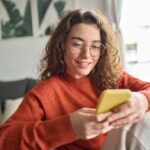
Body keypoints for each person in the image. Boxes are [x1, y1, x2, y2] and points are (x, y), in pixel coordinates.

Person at [0, 9, 150, 150]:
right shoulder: (44, 93)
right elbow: (4, 140)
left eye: (95, 47)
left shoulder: (114, 76)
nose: (86, 54)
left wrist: (142, 100)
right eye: (77, 44)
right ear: (62, 46)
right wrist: (69, 127)